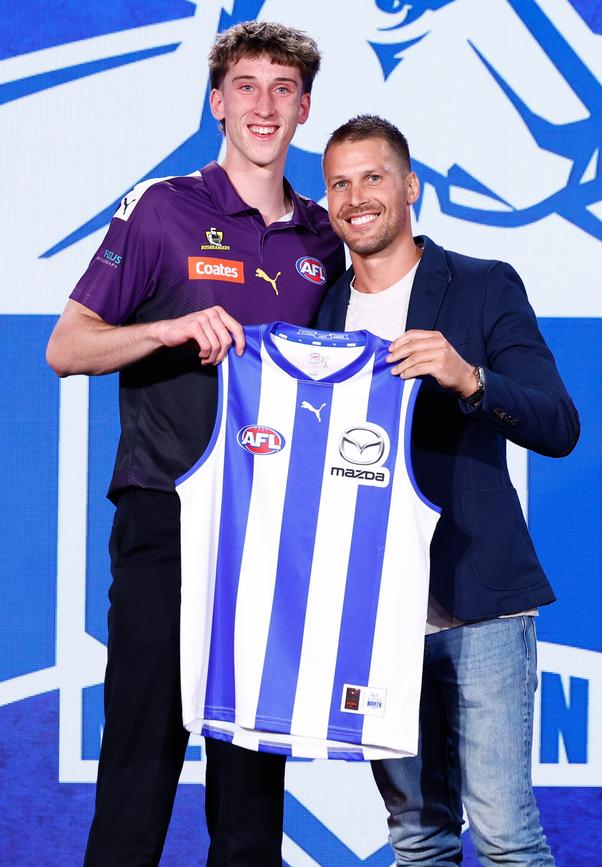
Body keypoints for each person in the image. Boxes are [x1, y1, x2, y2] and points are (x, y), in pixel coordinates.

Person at [46, 21, 345, 867]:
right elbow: (67, 348)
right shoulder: (163, 207)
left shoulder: (325, 241)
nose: (264, 104)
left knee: (252, 794)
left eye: (282, 89)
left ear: (304, 108)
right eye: (246, 86)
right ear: (217, 103)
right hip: (167, 519)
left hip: (272, 533)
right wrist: (170, 329)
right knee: (140, 767)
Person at [316, 114, 579, 865]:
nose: (356, 196)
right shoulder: (325, 311)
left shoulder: (483, 284)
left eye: (373, 177)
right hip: (375, 617)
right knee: (417, 836)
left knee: (503, 833)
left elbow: (559, 423)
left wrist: (469, 377)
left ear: (411, 188)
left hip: (480, 604)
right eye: (339, 181)